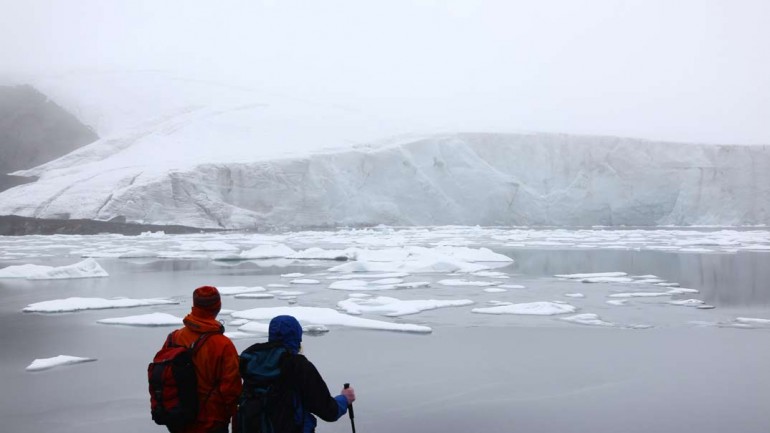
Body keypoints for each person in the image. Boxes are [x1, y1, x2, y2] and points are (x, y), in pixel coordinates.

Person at [171, 286, 243, 433]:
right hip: (212, 422)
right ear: (218, 307)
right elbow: (231, 390)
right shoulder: (223, 345)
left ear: (194, 306)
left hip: (179, 419)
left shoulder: (175, 337)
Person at [267, 315, 356, 433]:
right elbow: (328, 411)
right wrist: (345, 399)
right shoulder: (299, 366)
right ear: (297, 336)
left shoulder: (254, 362)